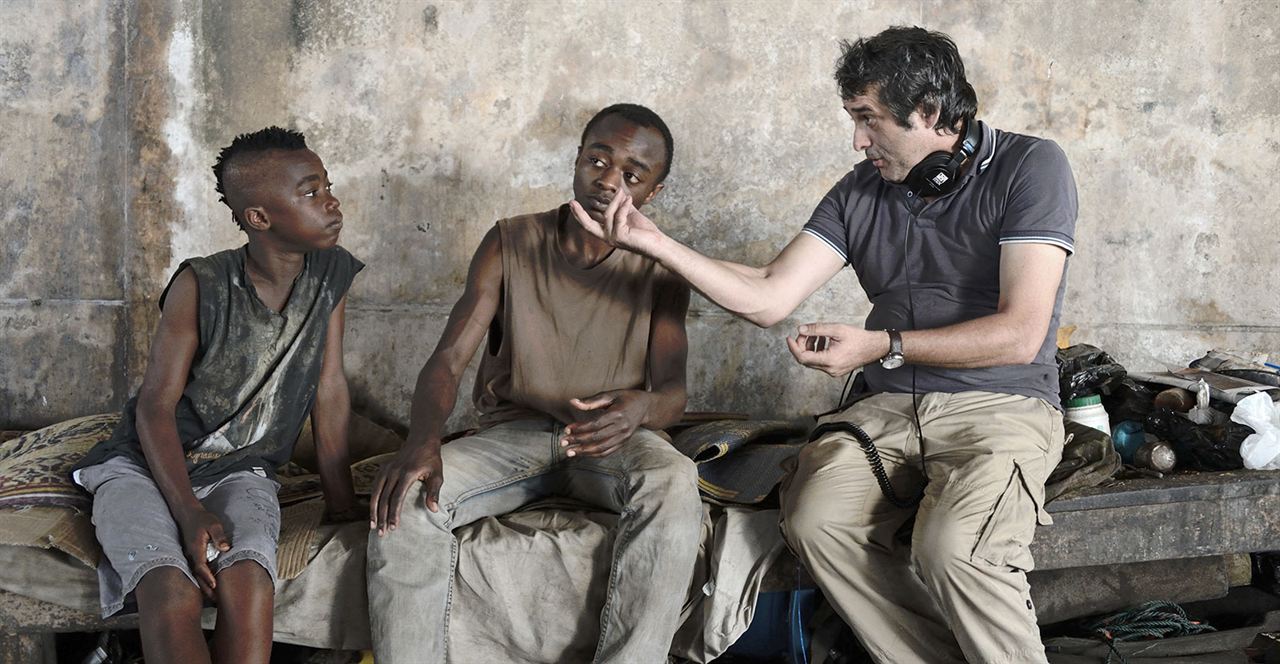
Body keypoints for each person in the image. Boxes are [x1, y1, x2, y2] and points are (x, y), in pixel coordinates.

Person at [572, 28, 1077, 664]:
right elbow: (770, 293)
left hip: (1001, 405)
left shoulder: (1032, 166)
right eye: (853, 120)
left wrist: (880, 345)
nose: (858, 141)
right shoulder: (861, 188)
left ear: (928, 111)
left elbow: (1021, 331)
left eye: (869, 121)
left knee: (953, 549)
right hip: (888, 408)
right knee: (813, 521)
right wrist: (656, 244)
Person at [366, 103, 703, 664]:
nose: (608, 180)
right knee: (404, 503)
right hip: (514, 435)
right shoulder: (511, 241)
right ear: (576, 159)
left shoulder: (662, 267)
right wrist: (422, 440)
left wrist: (639, 410)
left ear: (653, 192)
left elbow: (673, 393)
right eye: (598, 159)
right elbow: (449, 358)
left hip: (608, 442)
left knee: (673, 479)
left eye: (632, 174)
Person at [72, 127, 362, 664]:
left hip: (241, 467)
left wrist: (341, 502)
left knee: (249, 581)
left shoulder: (331, 274)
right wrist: (187, 512)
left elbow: (330, 386)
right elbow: (156, 406)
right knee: (170, 589)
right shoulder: (201, 284)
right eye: (310, 192)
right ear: (259, 218)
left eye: (326, 186)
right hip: (143, 463)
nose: (331, 201)